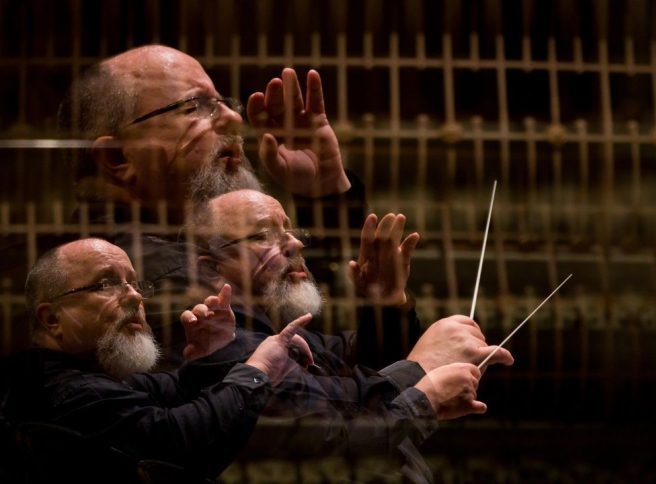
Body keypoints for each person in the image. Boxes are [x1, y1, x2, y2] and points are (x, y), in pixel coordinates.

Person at [55, 44, 408, 367]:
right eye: (195, 107)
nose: (235, 120)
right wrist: (420, 382)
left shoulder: (182, 246)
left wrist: (324, 193)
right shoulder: (154, 273)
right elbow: (325, 383)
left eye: (224, 103)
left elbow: (328, 344)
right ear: (117, 157)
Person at [185, 189, 514, 481]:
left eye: (290, 230)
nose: (295, 243)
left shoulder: (295, 336)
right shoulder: (225, 346)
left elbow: (363, 369)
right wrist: (421, 370)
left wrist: (387, 302)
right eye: (262, 235)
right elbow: (331, 431)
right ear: (212, 269)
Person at [0, 238, 305, 480]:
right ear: (52, 317)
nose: (134, 297)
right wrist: (259, 369)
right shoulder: (64, 392)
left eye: (134, 283)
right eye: (105, 284)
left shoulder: (83, 374)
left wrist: (216, 354)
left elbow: (174, 389)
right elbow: (174, 440)